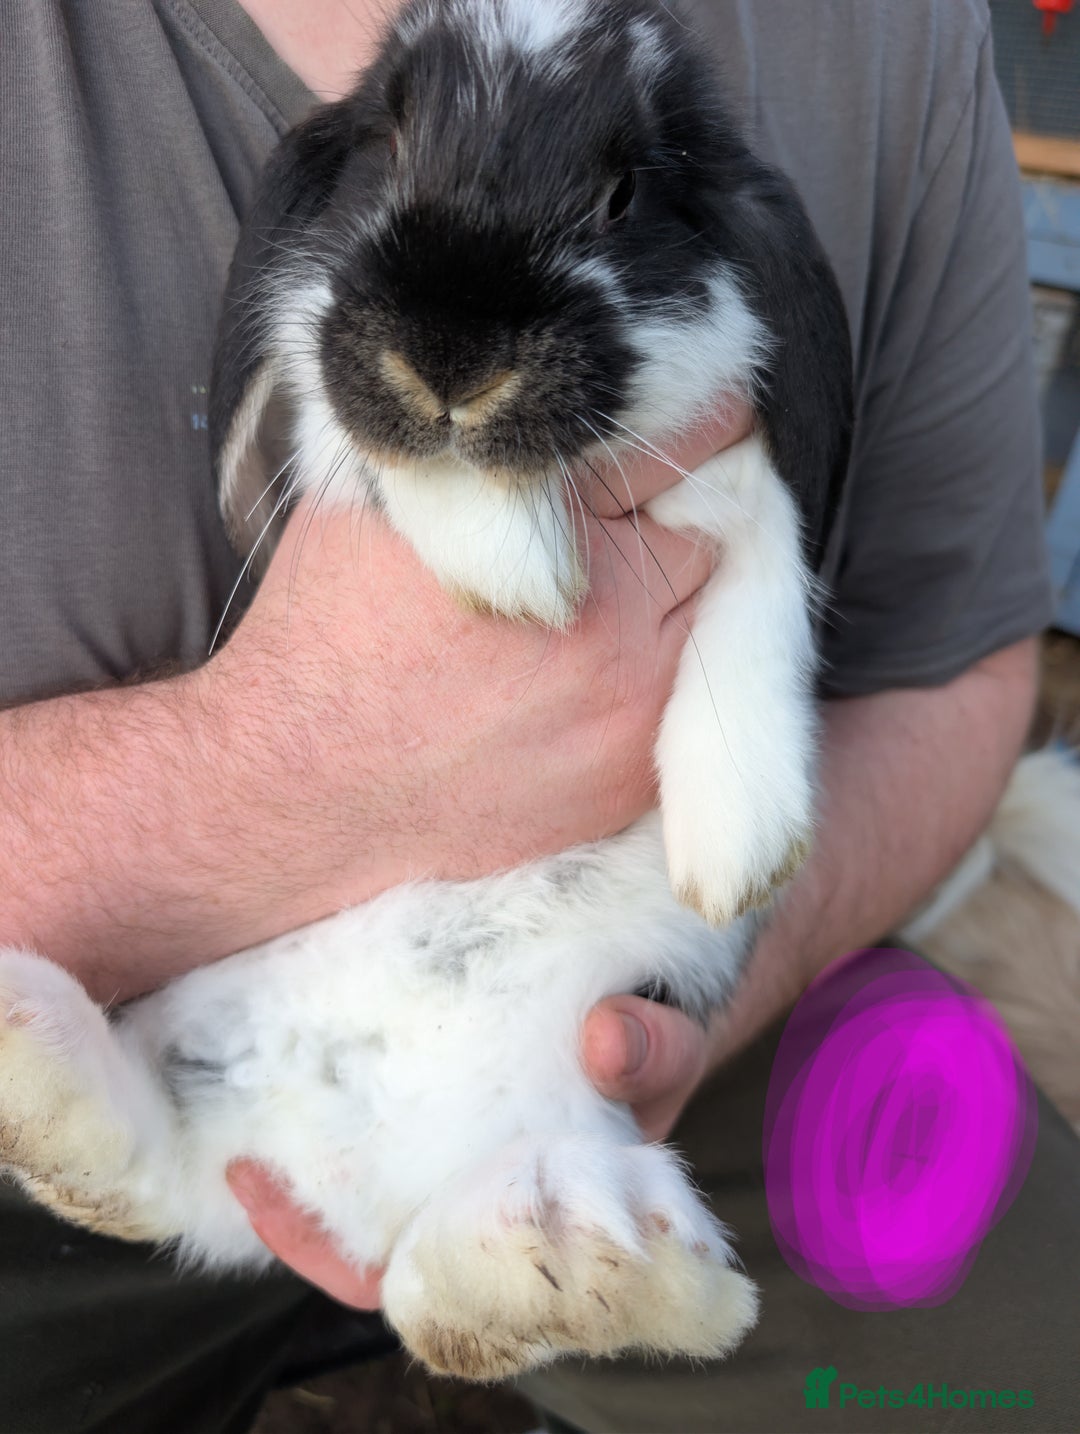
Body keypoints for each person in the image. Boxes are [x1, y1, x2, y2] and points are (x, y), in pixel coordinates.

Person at [1, 1, 1077, 1431]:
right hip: (116, 1010)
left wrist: (678, 1019)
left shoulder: (882, 37)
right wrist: (274, 768)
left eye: (615, 202)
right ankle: (148, 1138)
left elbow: (959, 671)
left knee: (1031, 1371)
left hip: (615, 1038)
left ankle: (519, 1201)